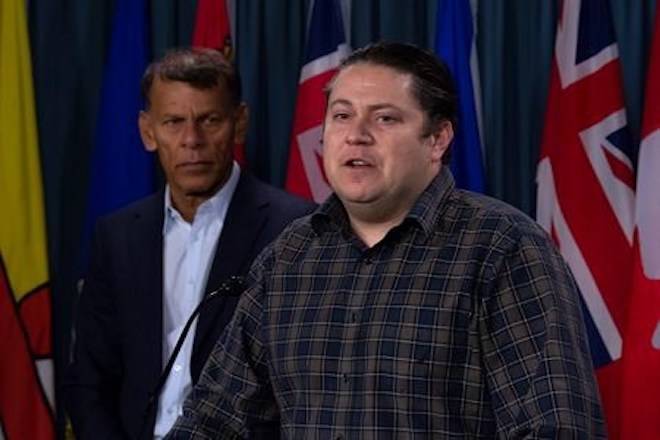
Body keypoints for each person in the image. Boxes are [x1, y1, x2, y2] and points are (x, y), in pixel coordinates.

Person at [166, 42, 606, 439]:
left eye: (384, 117)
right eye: (341, 115)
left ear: (437, 139)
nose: (356, 134)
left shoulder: (503, 249)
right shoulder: (289, 257)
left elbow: (555, 428)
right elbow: (213, 421)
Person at [64, 48, 315, 439]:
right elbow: (91, 380)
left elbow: (303, 383)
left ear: (239, 123)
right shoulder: (117, 236)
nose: (191, 140)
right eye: (173, 122)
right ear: (148, 132)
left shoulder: (294, 228)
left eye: (209, 120)